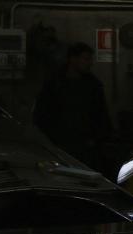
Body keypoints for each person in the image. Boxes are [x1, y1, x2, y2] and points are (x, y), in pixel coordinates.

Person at [33, 42, 113, 171]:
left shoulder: (93, 85)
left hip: (86, 148)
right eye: (86, 59)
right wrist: (50, 141)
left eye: (90, 59)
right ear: (73, 59)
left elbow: (101, 115)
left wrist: (96, 139)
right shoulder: (54, 83)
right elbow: (42, 113)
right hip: (59, 146)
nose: (90, 63)